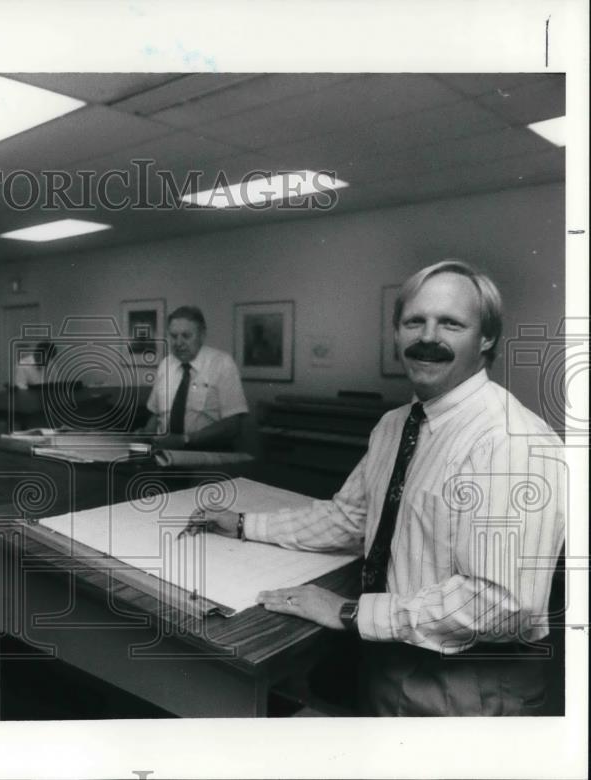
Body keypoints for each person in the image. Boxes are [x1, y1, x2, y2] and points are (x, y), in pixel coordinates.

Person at [184, 260, 566, 716]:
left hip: (467, 692)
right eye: (414, 322)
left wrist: (349, 612)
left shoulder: (511, 440)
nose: (428, 337)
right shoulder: (394, 426)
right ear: (397, 333)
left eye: (451, 323)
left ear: (486, 338)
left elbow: (505, 604)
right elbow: (349, 517)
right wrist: (243, 524)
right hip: (388, 664)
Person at [142, 306, 248, 451]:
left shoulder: (222, 363)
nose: (178, 343)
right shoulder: (165, 365)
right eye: (173, 336)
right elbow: (156, 415)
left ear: (202, 335)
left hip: (205, 455)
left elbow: (233, 425)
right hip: (165, 454)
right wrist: (145, 436)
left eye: (186, 336)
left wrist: (184, 440)